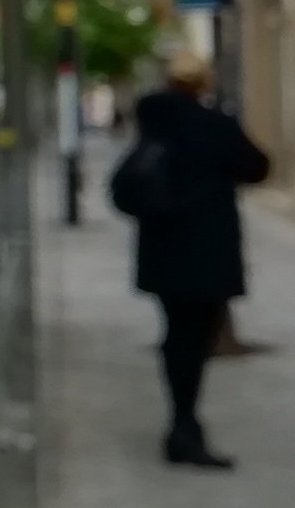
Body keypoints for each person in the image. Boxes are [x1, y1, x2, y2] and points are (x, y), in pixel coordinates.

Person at [115, 51, 269, 470]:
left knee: (176, 333)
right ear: (203, 84)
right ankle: (184, 427)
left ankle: (182, 420)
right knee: (196, 337)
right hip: (207, 247)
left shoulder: (153, 123)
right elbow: (257, 167)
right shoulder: (215, 126)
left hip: (162, 248)